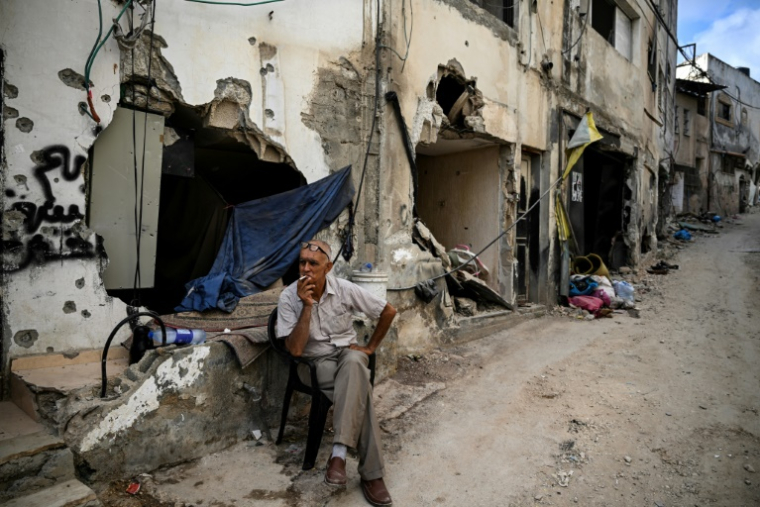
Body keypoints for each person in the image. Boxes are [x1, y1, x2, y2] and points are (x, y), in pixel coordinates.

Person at [276, 239, 397, 507]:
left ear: (328, 267)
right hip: (315, 364)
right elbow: (295, 350)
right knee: (359, 389)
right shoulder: (288, 297)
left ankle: (339, 455)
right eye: (302, 262)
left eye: (313, 264)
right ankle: (371, 475)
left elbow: (388, 311)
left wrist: (370, 346)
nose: (306, 268)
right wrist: (306, 305)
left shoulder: (344, 289)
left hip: (347, 353)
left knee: (355, 362)